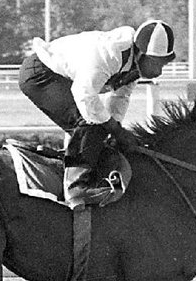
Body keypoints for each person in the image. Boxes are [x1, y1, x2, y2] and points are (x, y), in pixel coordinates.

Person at [19, 20, 176, 208]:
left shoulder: (135, 66)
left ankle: (84, 172)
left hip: (62, 78)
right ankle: (76, 190)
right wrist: (115, 130)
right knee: (89, 122)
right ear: (142, 53)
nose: (158, 72)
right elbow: (84, 95)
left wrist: (113, 131)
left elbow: (120, 98)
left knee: (100, 127)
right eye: (156, 63)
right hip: (39, 75)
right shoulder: (109, 54)